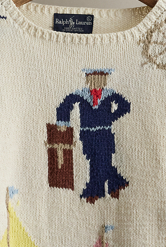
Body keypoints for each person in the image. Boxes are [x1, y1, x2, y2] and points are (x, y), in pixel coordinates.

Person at [56, 68, 131, 203]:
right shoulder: (82, 94)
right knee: (95, 161)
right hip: (87, 135)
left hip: (105, 134)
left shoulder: (108, 94)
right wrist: (63, 122)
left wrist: (111, 117)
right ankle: (114, 185)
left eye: (100, 79)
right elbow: (65, 105)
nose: (97, 82)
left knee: (102, 162)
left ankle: (94, 192)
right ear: (89, 79)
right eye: (93, 79)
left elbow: (125, 106)